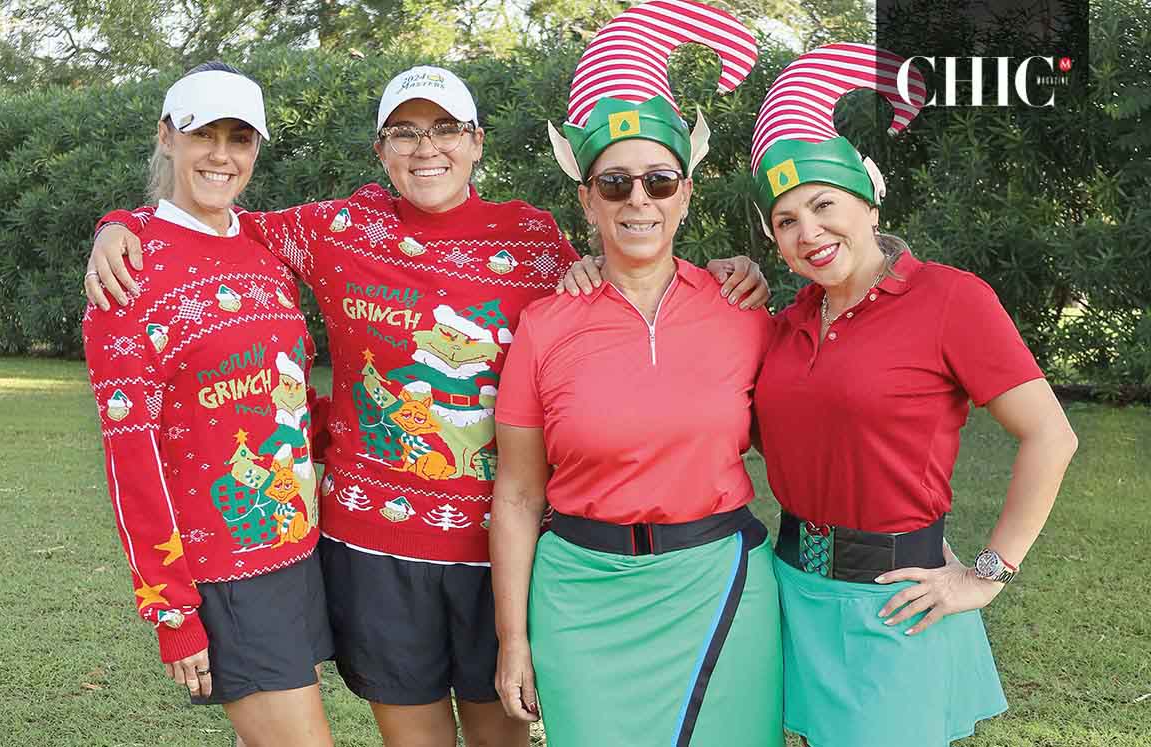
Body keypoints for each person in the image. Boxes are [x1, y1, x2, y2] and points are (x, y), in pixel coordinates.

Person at [83, 63, 771, 746]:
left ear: (476, 141)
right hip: (374, 551)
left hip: (499, 555)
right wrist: (119, 224)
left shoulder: (533, 243)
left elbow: (623, 283)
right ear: (381, 151)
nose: (426, 147)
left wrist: (727, 273)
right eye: (404, 132)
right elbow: (216, 219)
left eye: (445, 129)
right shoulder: (336, 228)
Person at [746, 44, 1078, 747]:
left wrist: (988, 573)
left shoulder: (950, 299)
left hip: (895, 599)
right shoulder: (787, 322)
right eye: (785, 221)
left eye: (823, 204)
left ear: (869, 201)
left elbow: (1053, 435)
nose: (808, 231)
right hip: (790, 589)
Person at [490, 3, 783, 746]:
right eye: (614, 184)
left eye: (659, 179)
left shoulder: (743, 308)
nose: (638, 200)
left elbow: (836, 413)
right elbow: (520, 494)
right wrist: (513, 637)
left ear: (686, 192)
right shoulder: (545, 324)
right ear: (586, 199)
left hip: (719, 585)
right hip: (582, 598)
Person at [82, 62, 335, 747]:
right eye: (203, 134)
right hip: (224, 569)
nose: (222, 154)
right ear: (166, 137)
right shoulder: (126, 272)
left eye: (240, 138)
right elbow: (129, 458)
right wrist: (171, 609)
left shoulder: (262, 246)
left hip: (296, 549)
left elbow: (290, 394)